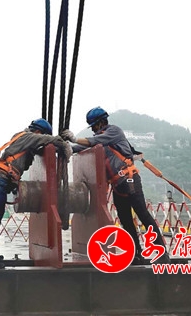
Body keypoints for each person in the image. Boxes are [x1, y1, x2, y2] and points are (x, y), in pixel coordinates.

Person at [61, 107, 170, 265]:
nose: (93, 129)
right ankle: (136, 254)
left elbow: (92, 141)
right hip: (118, 185)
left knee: (142, 214)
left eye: (94, 126)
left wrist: (74, 138)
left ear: (101, 123)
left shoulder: (114, 132)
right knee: (125, 219)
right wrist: (63, 147)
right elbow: (80, 148)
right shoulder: (99, 141)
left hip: (129, 179)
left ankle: (162, 253)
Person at [0, 118, 73, 269]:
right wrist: (64, 145)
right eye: (41, 135)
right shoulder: (28, 136)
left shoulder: (22, 139)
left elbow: (39, 149)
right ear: (39, 131)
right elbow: (50, 140)